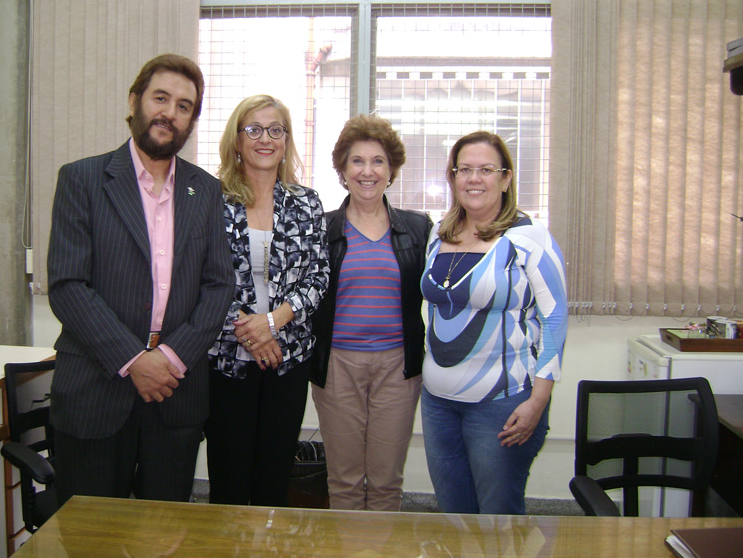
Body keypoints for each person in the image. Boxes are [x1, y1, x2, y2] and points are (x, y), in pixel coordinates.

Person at [47, 54, 235, 506]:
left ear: (192, 120)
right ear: (134, 102)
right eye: (161, 98)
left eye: (184, 106)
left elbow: (219, 286)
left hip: (176, 391)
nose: (170, 112)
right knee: (91, 537)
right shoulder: (82, 179)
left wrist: (168, 357)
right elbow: (68, 286)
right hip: (95, 388)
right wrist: (135, 359)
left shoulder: (205, 190)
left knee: (165, 534)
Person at [419, 130, 568, 515]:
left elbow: (555, 321)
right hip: (438, 403)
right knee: (454, 514)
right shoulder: (439, 234)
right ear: (452, 178)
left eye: (486, 169)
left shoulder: (530, 239)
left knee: (498, 519)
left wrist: (538, 400)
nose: (474, 178)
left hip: (501, 405)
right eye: (464, 169)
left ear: (505, 178)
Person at [206, 94, 329, 506]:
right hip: (227, 360)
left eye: (275, 130)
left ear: (286, 139)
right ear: (236, 140)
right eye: (253, 129)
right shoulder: (209, 200)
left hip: (288, 358)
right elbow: (199, 279)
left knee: (274, 475)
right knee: (229, 476)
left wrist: (273, 323)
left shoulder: (306, 202)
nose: (265, 138)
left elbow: (318, 275)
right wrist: (250, 331)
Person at [310, 114, 432, 511]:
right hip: (337, 366)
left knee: (385, 483)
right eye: (357, 161)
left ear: (391, 169)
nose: (368, 171)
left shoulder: (418, 228)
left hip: (397, 368)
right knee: (343, 481)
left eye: (378, 161)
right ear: (343, 171)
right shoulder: (322, 228)